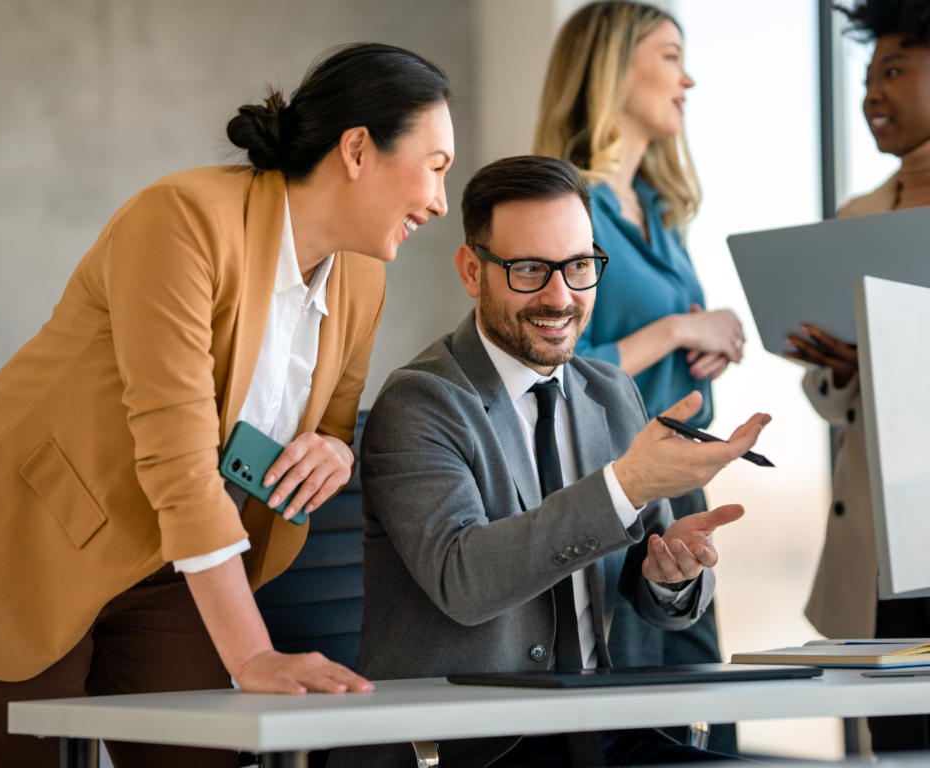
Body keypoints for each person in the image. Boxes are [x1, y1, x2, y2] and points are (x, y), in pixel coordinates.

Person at [0, 43, 455, 768]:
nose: (441, 202)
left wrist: (338, 449)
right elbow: (179, 459)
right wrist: (253, 653)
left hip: (172, 563)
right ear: (357, 149)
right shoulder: (183, 219)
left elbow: (330, 420)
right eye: (436, 166)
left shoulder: (361, 280)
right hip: (23, 541)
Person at [326, 156, 770, 768]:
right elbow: (467, 580)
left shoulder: (611, 393)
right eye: (530, 269)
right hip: (466, 751)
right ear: (471, 270)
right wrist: (626, 484)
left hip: (601, 735)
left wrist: (674, 576)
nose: (560, 297)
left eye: (579, 266)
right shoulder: (421, 402)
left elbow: (648, 586)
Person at [533, 2, 743, 751]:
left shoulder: (660, 210)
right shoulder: (570, 210)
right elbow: (553, 364)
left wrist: (710, 342)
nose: (687, 78)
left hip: (682, 476)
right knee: (640, 716)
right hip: (612, 481)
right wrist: (681, 328)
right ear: (612, 67)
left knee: (698, 695)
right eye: (668, 57)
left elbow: (658, 341)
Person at [785, 0, 930, 753]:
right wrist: (843, 370)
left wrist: (889, 355)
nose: (873, 94)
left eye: (895, 72)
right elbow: (828, 397)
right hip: (888, 560)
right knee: (899, 744)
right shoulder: (855, 218)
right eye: (868, 77)